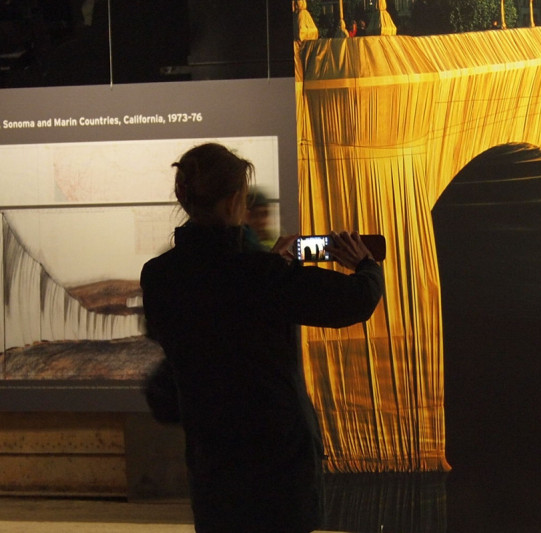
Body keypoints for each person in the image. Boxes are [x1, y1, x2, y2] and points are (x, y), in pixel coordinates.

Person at [140, 142, 384, 532]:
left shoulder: (158, 276)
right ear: (233, 202)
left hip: (213, 461)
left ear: (183, 197)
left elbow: (202, 315)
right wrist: (366, 265)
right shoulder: (260, 275)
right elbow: (353, 301)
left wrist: (269, 265)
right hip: (276, 463)